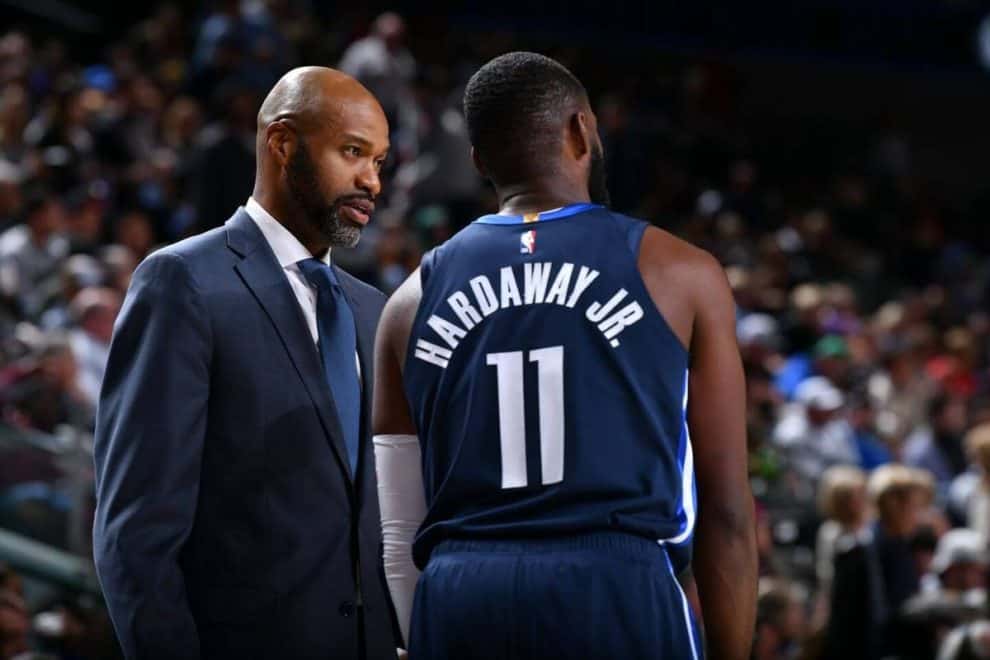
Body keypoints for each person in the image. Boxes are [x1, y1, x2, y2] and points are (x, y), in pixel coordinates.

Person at [373, 52, 757, 659]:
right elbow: (728, 511)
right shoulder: (682, 272)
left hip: (461, 591)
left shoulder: (407, 302)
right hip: (615, 585)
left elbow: (397, 530)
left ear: (478, 161)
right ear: (581, 130)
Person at [92, 67, 396, 659]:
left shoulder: (373, 310)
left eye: (379, 161)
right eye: (353, 152)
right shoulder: (182, 282)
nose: (372, 180)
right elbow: (136, 534)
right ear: (281, 143)